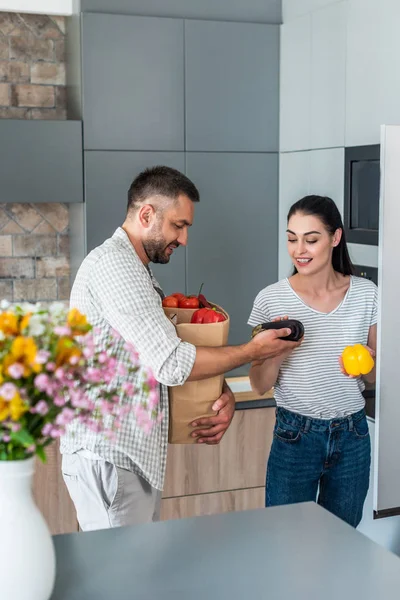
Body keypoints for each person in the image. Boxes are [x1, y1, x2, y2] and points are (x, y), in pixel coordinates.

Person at [61, 165, 300, 531]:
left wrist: (219, 390)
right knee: (123, 583)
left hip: (126, 457)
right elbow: (171, 362)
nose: (184, 239)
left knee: (135, 578)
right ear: (146, 214)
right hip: (110, 456)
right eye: (179, 225)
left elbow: (153, 357)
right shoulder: (115, 267)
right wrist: (252, 352)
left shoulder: (137, 270)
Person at [248, 195, 377, 528]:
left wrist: (366, 365)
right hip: (295, 437)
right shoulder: (271, 299)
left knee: (343, 543)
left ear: (335, 238)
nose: (299, 250)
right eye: (292, 239)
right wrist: (278, 352)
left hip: (352, 437)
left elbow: (375, 380)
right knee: (286, 543)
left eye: (311, 239)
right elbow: (260, 384)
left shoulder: (367, 293)